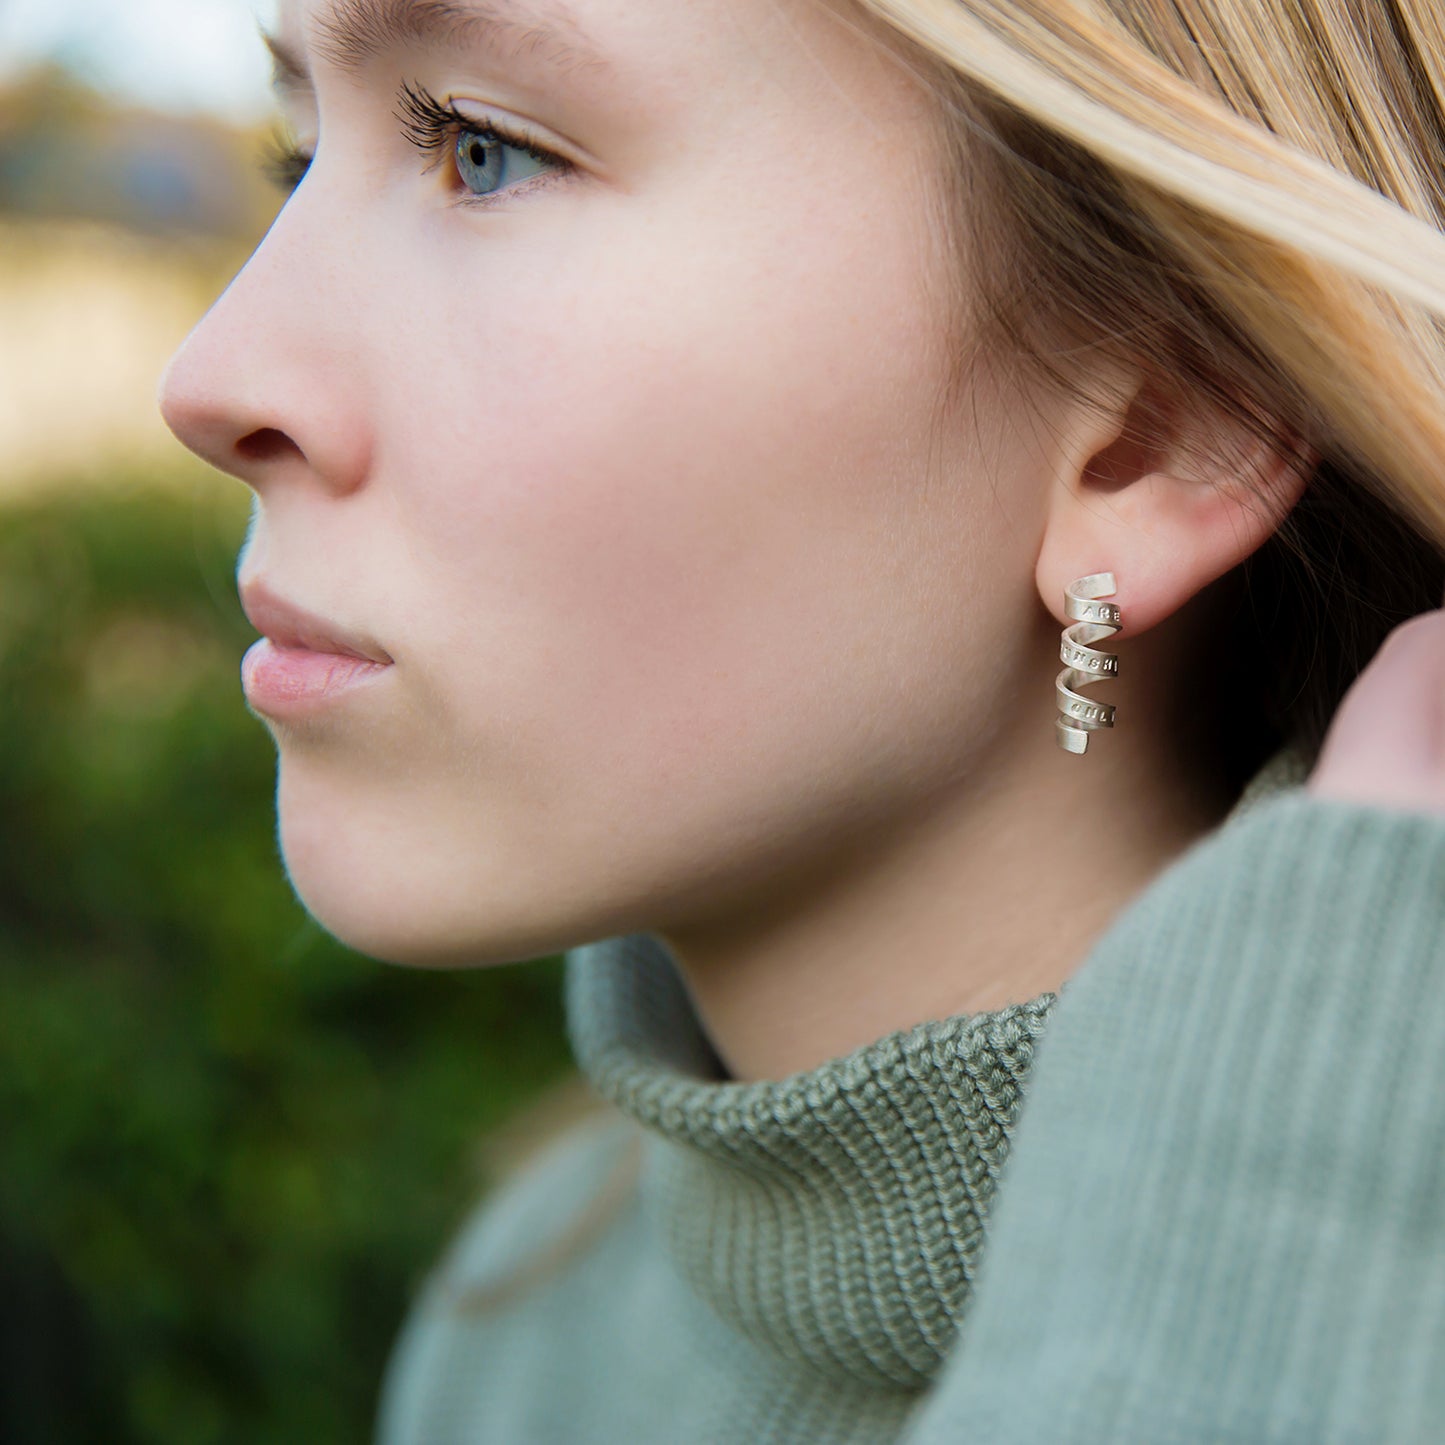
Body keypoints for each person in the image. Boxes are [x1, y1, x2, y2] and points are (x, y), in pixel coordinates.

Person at [157, 0, 1445, 1438]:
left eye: (485, 151)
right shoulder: (519, 1336)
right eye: (296, 153)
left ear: (1156, 427)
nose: (213, 375)